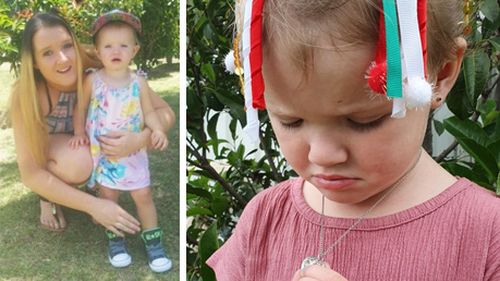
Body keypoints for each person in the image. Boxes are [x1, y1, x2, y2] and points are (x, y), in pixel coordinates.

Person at [206, 0, 500, 280]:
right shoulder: (263, 219)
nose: (322, 155)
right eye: (290, 121)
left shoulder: (487, 236)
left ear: (443, 74)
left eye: (364, 121)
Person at [10, 11, 174, 237]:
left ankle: (95, 186)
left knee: (81, 156)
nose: (63, 59)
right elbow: (29, 172)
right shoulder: (26, 94)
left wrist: (140, 139)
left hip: (89, 145)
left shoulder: (100, 63)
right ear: (35, 62)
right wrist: (94, 207)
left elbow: (165, 112)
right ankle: (47, 197)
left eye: (67, 45)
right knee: (79, 162)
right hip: (57, 153)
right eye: (47, 53)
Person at [67, 10, 171, 272]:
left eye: (124, 45)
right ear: (98, 51)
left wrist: (157, 131)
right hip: (104, 154)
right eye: (108, 46)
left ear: (134, 50)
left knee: (143, 194)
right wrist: (79, 132)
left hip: (133, 152)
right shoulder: (94, 80)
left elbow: (149, 113)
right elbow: (79, 108)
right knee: (108, 196)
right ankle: (116, 240)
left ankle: (154, 243)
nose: (116, 51)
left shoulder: (139, 83)